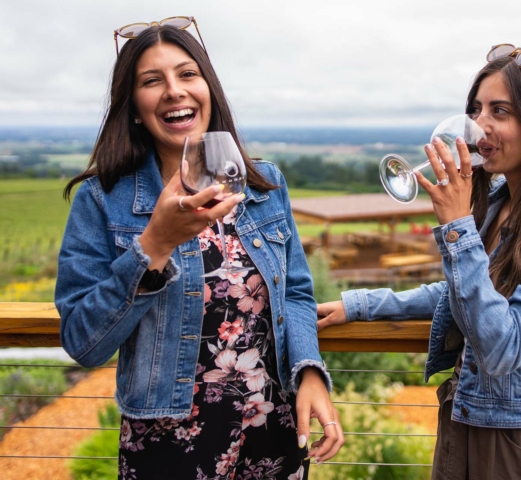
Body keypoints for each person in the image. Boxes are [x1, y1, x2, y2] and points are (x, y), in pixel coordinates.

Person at [317, 44, 521, 480]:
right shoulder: (502, 202)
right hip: (464, 419)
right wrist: (363, 306)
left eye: (499, 111)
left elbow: (503, 348)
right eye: (475, 109)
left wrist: (457, 226)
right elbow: (463, 296)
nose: (478, 126)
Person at [55, 18, 343, 479]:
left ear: (209, 88)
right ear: (133, 108)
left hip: (274, 429)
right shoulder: (101, 201)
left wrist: (309, 372)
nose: (174, 90)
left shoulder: (264, 186)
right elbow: (83, 343)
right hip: (169, 443)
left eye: (188, 74)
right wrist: (155, 244)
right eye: (152, 81)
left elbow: (295, 294)